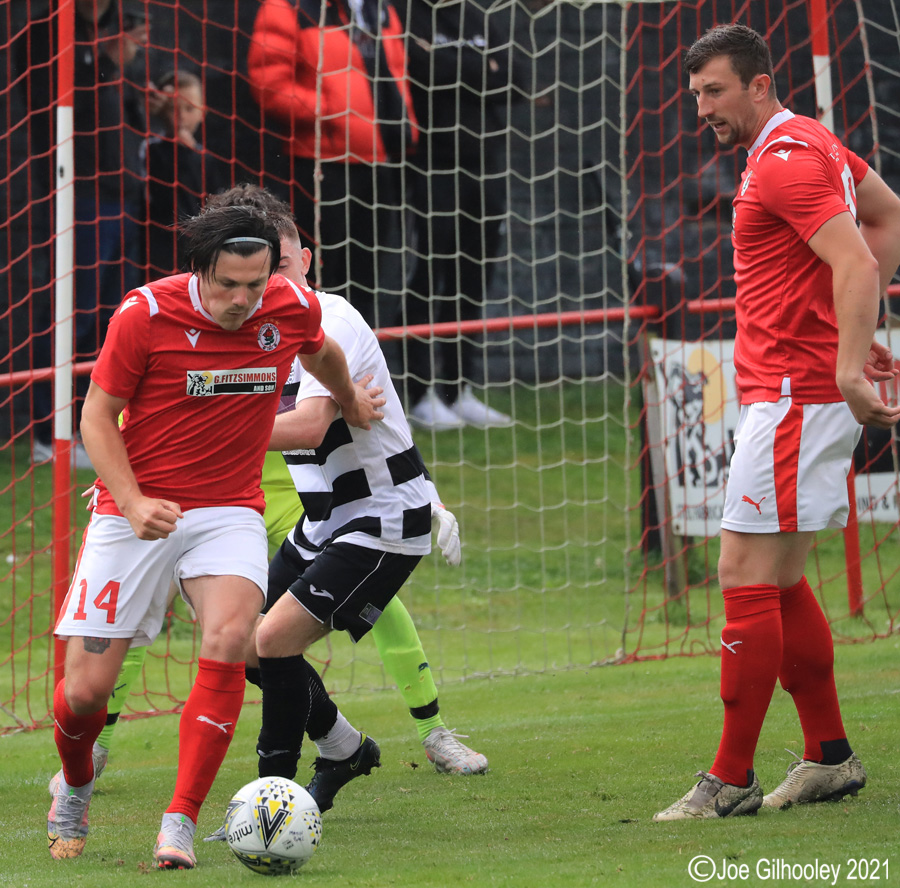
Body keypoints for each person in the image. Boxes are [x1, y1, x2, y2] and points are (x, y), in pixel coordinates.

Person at [46, 202, 383, 868]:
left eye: (254, 284)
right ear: (199, 269)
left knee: (233, 639)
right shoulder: (144, 316)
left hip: (228, 509)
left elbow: (323, 352)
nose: (242, 299)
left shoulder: (285, 306)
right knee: (85, 694)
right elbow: (96, 418)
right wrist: (135, 500)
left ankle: (181, 819)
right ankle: (77, 782)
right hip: (131, 512)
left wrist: (347, 399)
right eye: (228, 284)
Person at [654, 24, 900, 821]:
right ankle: (830, 757)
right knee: (780, 579)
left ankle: (729, 782)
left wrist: (846, 361)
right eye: (695, 95)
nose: (703, 110)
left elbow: (860, 258)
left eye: (715, 91)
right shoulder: (813, 141)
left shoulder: (788, 161)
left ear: (760, 84)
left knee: (743, 578)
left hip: (796, 396)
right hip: (788, 391)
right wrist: (852, 338)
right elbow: (887, 214)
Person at [21, 1, 154, 466]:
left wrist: (145, 101)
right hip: (78, 195)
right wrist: (104, 58)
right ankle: (48, 432)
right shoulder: (49, 33)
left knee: (111, 317)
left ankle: (89, 424)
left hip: (125, 198)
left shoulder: (120, 40)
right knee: (69, 314)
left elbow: (121, 117)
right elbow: (50, 105)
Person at [246, 0, 417, 328]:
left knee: (366, 278)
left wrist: (402, 128)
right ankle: (313, 369)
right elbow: (268, 83)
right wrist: (332, 111)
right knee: (320, 278)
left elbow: (395, 74)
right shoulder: (288, 7)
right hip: (320, 163)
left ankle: (357, 366)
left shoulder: (380, 9)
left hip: (379, 161)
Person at [398, 0, 525, 429]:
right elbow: (418, 72)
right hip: (431, 166)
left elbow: (516, 80)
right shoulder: (406, 12)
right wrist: (479, 68)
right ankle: (419, 393)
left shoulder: (479, 14)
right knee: (428, 278)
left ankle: (458, 390)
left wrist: (449, 65)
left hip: (485, 167)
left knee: (473, 278)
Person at [143, 69, 228, 279]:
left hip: (198, 248)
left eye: (189, 109)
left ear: (202, 112)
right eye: (173, 109)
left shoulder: (207, 157)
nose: (181, 117)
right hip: (159, 246)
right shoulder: (151, 150)